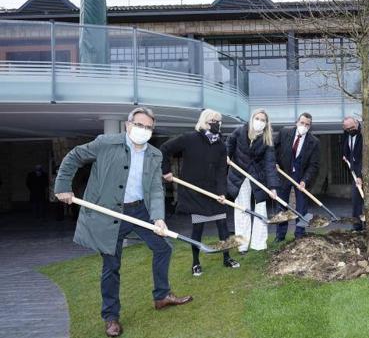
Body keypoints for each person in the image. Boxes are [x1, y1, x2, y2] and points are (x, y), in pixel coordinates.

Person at [54, 107, 192, 337]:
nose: (144, 130)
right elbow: (74, 157)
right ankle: (111, 316)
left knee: (163, 247)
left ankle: (161, 296)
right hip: (109, 214)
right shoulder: (105, 143)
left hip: (139, 211)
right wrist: (62, 187)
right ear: (128, 125)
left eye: (149, 127)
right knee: (111, 265)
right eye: (139, 125)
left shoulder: (154, 155)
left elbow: (156, 189)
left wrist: (158, 217)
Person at [160, 109, 240, 277]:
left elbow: (220, 171)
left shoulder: (220, 146)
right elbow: (165, 148)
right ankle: (195, 263)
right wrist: (166, 171)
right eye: (213, 120)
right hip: (195, 193)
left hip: (214, 193)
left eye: (219, 121)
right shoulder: (189, 139)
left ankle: (227, 257)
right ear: (204, 121)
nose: (217, 123)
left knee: (223, 227)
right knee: (197, 229)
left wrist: (222, 193)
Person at [226, 108, 279, 253]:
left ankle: (259, 243)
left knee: (260, 209)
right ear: (252, 118)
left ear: (266, 123)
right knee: (242, 209)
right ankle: (242, 245)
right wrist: (226, 156)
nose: (260, 122)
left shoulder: (267, 139)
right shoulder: (240, 131)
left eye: (263, 120)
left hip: (258, 177)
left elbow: (270, 163)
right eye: (257, 118)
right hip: (239, 175)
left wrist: (273, 187)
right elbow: (228, 144)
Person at [273, 112, 320, 241]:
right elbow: (273, 150)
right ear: (296, 122)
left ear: (310, 127)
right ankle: (280, 235)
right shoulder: (284, 133)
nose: (304, 126)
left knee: (302, 206)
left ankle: (300, 234)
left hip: (301, 176)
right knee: (281, 205)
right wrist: (275, 163)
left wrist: (305, 180)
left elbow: (314, 165)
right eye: (302, 123)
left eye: (307, 124)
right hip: (284, 173)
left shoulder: (314, 142)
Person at [341, 116, 369, 231]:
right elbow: (349, 151)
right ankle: (357, 227)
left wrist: (360, 176)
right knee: (356, 202)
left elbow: (365, 158)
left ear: (357, 123)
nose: (350, 130)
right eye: (348, 128)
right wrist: (345, 156)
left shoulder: (366, 135)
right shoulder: (347, 135)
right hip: (357, 174)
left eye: (352, 127)